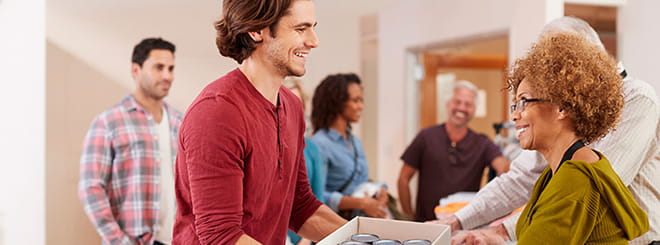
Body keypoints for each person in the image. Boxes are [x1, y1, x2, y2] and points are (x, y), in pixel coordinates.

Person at [444, 17, 659, 245]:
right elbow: (520, 178)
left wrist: (501, 233)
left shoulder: (637, 100)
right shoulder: (555, 172)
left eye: (525, 102)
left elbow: (594, 191)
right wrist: (457, 221)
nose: (515, 115)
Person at [172, 0, 346, 244]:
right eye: (300, 29)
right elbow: (220, 235)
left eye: (313, 27)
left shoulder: (292, 107)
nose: (314, 41)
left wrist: (368, 239)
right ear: (256, 31)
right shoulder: (217, 112)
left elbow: (300, 206)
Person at [78, 37, 182, 245]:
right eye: (159, 67)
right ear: (136, 70)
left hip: (177, 239)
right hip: (133, 241)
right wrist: (119, 241)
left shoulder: (180, 122)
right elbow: (90, 188)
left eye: (171, 68)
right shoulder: (109, 122)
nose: (167, 76)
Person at [397, 80, 510, 222]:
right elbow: (403, 178)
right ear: (448, 104)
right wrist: (408, 217)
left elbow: (503, 167)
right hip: (426, 224)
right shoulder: (426, 137)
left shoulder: (483, 143)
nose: (462, 108)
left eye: (468, 104)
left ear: (474, 110)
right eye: (457, 102)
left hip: (464, 226)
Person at [311, 73, 390, 219]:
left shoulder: (355, 141)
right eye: (356, 100)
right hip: (336, 223)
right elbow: (316, 195)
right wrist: (359, 203)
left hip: (361, 221)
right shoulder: (319, 143)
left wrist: (379, 190)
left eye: (362, 100)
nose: (361, 106)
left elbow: (360, 183)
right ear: (337, 102)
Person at [284, 77, 327, 245]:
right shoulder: (264, 146)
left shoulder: (311, 148)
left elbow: (317, 198)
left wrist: (306, 240)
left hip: (304, 236)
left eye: (297, 105)